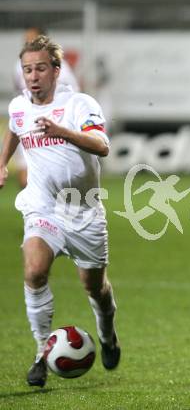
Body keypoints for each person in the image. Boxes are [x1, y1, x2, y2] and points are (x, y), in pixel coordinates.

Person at [0, 35, 120, 387]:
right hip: (43, 206)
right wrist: (3, 164)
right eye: (27, 70)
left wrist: (62, 132)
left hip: (83, 212)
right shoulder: (19, 106)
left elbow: (102, 146)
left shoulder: (79, 104)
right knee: (35, 271)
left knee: (94, 287)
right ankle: (40, 352)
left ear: (56, 70)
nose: (32, 76)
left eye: (39, 68)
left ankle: (108, 334)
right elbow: (14, 130)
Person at [12, 27, 80, 189]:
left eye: (32, 39)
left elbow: (74, 91)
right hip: (28, 121)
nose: (27, 42)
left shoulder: (57, 64)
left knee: (54, 174)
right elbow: (19, 91)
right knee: (25, 173)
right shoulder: (19, 65)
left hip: (52, 121)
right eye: (26, 39)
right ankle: (33, 210)